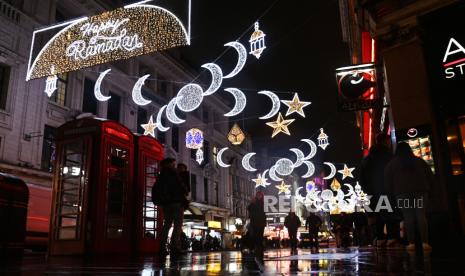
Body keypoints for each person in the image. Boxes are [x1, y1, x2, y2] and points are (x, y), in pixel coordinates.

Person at [385, 142, 434, 252]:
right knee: (421, 215)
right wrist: (430, 189)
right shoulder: (419, 161)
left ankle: (411, 243)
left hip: (402, 193)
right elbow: (430, 176)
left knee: (408, 217)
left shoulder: (392, 164)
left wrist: (391, 194)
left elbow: (388, 182)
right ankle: (425, 242)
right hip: (420, 192)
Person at [359, 133, 400, 247]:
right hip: (388, 190)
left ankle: (380, 238)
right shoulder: (390, 156)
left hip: (373, 192)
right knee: (391, 214)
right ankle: (392, 238)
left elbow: (361, 179)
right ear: (385, 142)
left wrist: (368, 190)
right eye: (388, 141)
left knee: (377, 216)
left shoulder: (367, 159)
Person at [155, 158, 188, 258]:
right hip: (177, 202)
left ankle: (162, 247)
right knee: (178, 225)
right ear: (169, 164)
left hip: (166, 203)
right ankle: (175, 247)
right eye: (173, 164)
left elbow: (157, 188)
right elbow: (183, 187)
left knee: (167, 225)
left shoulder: (161, 175)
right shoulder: (174, 174)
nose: (175, 166)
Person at [247, 191, 266, 261]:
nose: (259, 196)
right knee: (255, 235)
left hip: (261, 222)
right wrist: (252, 203)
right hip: (255, 222)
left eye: (260, 195)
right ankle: (254, 248)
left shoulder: (263, 203)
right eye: (258, 195)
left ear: (262, 196)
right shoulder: (254, 202)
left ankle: (259, 248)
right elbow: (249, 208)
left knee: (260, 235)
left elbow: (264, 213)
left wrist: (264, 222)